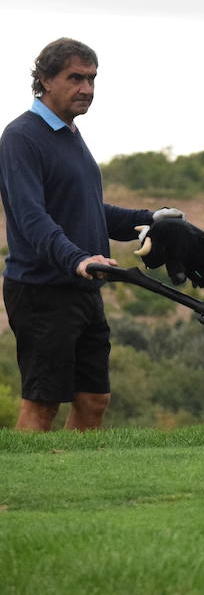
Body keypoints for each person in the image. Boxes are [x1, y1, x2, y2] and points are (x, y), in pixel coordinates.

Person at [1, 38, 179, 432]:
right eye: (75, 78)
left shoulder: (69, 134)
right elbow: (32, 218)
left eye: (92, 79)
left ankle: (66, 475)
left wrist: (150, 218)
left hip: (82, 285)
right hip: (42, 289)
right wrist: (77, 258)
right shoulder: (21, 137)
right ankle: (33, 487)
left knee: (93, 400)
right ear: (45, 80)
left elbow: (87, 211)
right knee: (42, 403)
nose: (87, 89)